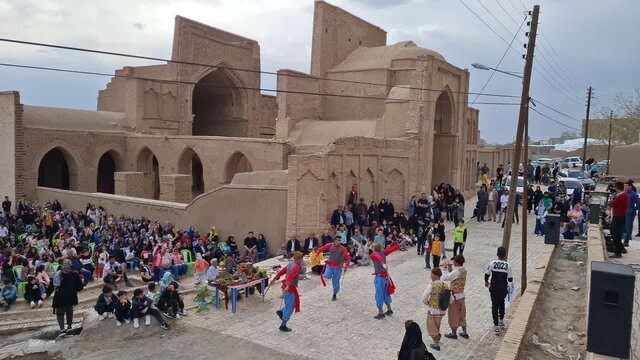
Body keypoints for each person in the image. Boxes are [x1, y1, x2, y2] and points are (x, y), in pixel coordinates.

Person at [272, 251, 303, 332]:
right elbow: (291, 276)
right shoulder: (296, 266)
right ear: (300, 259)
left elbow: (283, 271)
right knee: (290, 307)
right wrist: (288, 286)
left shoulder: (291, 263)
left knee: (289, 304)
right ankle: (283, 325)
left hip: (285, 287)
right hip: (289, 289)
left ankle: (281, 312)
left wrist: (276, 277)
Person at [52, 259, 84, 335]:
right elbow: (79, 287)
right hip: (70, 296)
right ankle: (69, 326)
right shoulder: (74, 274)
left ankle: (62, 329)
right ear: (70, 265)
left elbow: (53, 285)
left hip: (59, 297)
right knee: (69, 311)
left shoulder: (58, 274)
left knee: (60, 313)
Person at [485, 246, 513, 334]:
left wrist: (486, 282)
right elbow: (510, 279)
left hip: (493, 288)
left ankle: (496, 325)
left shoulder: (492, 263)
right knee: (501, 304)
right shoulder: (508, 265)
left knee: (494, 305)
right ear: (505, 255)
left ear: (497, 254)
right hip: (502, 288)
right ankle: (501, 320)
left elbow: (487, 274)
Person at [441, 255, 469, 340]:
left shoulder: (456, 271)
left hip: (454, 296)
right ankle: (464, 331)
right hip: (461, 295)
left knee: (453, 314)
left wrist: (444, 269)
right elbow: (454, 276)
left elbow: (445, 277)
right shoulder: (463, 269)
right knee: (462, 313)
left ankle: (453, 333)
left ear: (456, 262)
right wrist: (450, 270)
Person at [370, 242, 400, 319]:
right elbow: (391, 249)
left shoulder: (373, 255)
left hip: (380, 278)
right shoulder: (383, 253)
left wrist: (383, 264)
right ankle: (389, 309)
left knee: (379, 294)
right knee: (386, 293)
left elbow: (378, 258)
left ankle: (381, 313)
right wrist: (399, 245)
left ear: (374, 248)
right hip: (386, 277)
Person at [315, 236, 350, 301]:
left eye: (340, 241)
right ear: (334, 240)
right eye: (338, 240)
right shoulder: (329, 245)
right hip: (330, 265)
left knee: (335, 281)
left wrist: (346, 266)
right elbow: (321, 249)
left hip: (338, 267)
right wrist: (316, 255)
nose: (339, 242)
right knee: (326, 275)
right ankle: (333, 277)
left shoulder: (343, 248)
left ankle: (334, 294)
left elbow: (347, 258)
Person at [422, 267, 448, 351]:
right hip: (442, 310)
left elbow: (424, 298)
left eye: (431, 274)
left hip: (433, 310)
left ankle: (436, 343)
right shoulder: (445, 285)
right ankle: (437, 339)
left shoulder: (431, 285)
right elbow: (450, 298)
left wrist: (427, 303)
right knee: (437, 324)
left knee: (432, 326)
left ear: (434, 275)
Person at [609, 181, 629, 258]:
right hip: (621, 216)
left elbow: (613, 204)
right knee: (616, 233)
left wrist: (611, 201)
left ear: (617, 188)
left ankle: (618, 252)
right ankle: (621, 248)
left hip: (618, 217)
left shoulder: (621, 196)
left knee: (615, 234)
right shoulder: (624, 195)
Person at [624, 180, 638, 247]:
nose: (625, 187)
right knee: (625, 226)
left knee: (628, 226)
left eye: (626, 186)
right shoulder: (625, 193)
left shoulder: (633, 194)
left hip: (630, 212)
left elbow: (638, 204)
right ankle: (626, 238)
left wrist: (634, 209)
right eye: (624, 186)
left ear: (630, 186)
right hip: (625, 211)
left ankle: (626, 240)